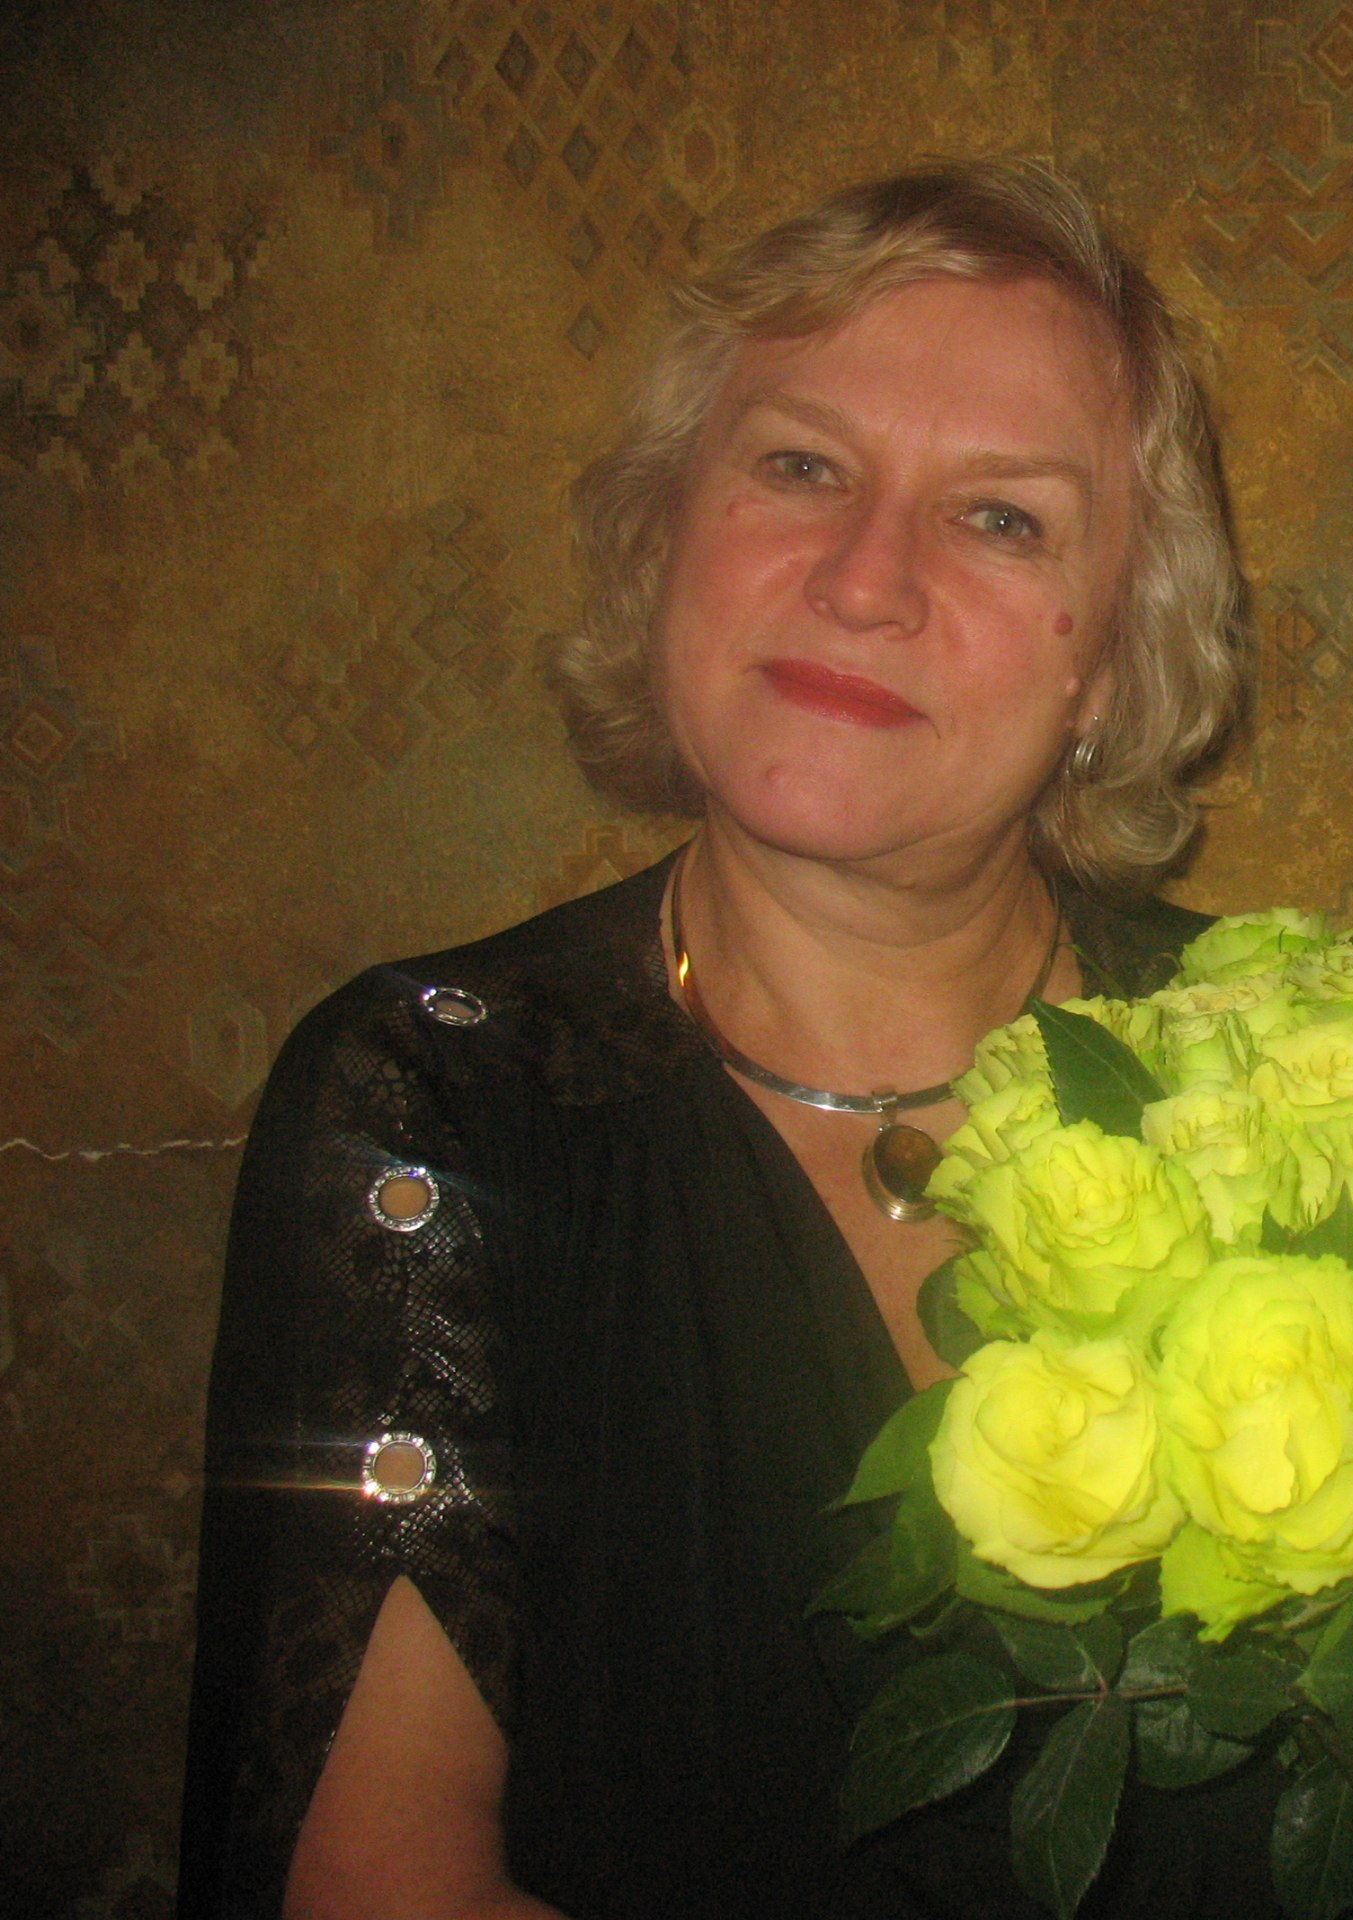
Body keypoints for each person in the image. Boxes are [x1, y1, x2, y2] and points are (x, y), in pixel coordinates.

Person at [178, 159, 1270, 1919]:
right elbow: (384, 1882)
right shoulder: (434, 1104)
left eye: (1001, 518)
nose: (865, 579)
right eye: (803, 467)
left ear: (1110, 661)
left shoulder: (1304, 1076)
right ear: (665, 535)